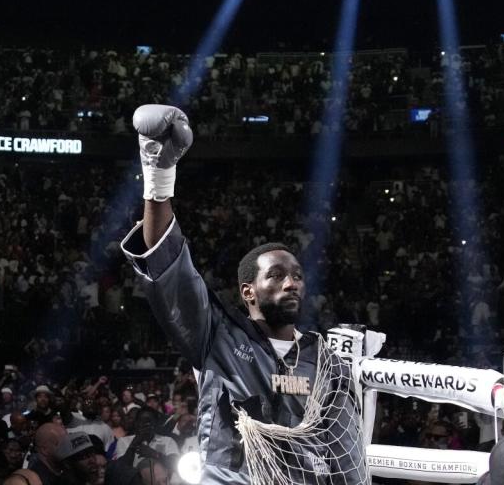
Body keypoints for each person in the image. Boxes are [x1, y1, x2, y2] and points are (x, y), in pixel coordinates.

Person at [120, 104, 364, 484]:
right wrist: (158, 176)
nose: (292, 283)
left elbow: (345, 452)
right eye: (278, 275)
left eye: (297, 275)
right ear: (248, 290)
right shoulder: (217, 336)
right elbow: (173, 276)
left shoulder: (325, 361)